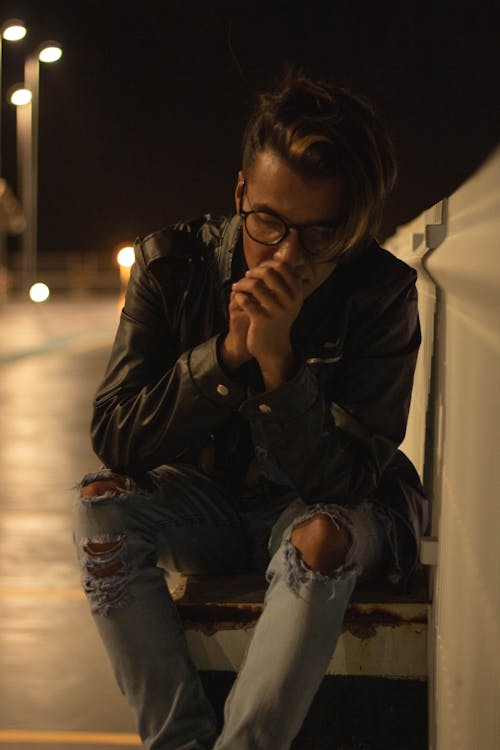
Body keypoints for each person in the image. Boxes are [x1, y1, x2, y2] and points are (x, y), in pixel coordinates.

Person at [74, 70, 428, 750]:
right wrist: (228, 356)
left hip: (336, 513)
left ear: (352, 224)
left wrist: (279, 367)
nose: (287, 254)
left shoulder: (381, 291)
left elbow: (347, 482)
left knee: (320, 536)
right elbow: (117, 434)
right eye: (268, 222)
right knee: (99, 505)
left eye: (320, 234)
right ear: (240, 194)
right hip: (215, 508)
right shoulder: (171, 265)